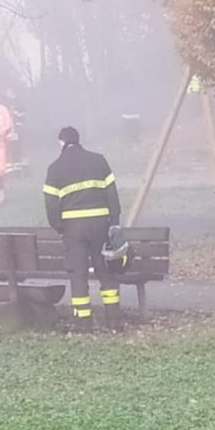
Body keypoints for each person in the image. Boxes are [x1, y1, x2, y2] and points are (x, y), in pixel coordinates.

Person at [43, 126, 122, 330]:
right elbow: (112, 195)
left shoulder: (55, 168)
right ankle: (114, 319)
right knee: (105, 270)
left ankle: (83, 321)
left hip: (73, 228)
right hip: (101, 225)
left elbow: (51, 205)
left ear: (61, 143)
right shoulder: (99, 160)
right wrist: (114, 222)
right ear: (78, 140)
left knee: (78, 273)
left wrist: (60, 227)